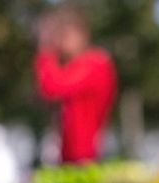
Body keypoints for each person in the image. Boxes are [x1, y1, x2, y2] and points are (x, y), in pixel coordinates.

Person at [33, 4, 117, 163]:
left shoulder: (95, 63)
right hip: (74, 157)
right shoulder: (82, 65)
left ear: (78, 33)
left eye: (61, 36)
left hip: (86, 157)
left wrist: (45, 50)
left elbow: (52, 87)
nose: (57, 44)